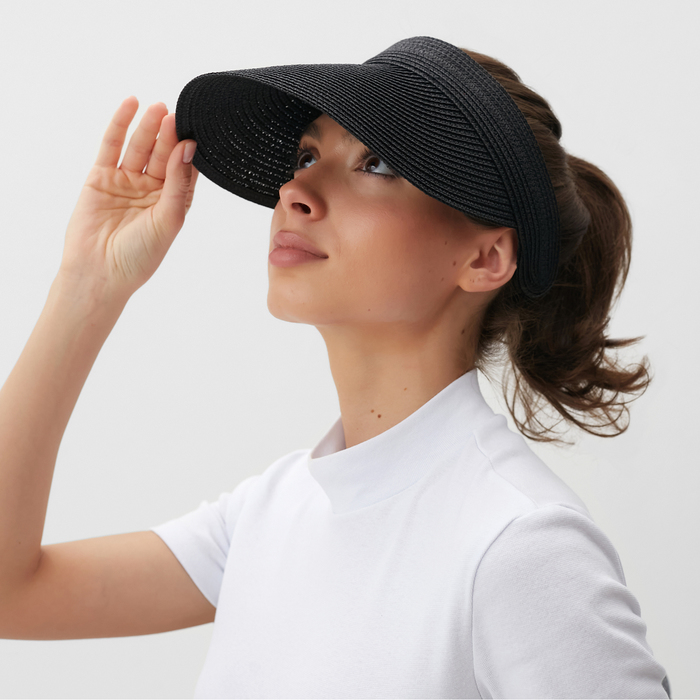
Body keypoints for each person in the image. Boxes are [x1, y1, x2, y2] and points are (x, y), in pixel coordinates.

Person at [0, 36, 670, 699]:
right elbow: (10, 594)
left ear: (485, 259)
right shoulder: (274, 511)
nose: (296, 190)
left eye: (376, 163)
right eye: (307, 155)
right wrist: (88, 286)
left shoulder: (519, 544)